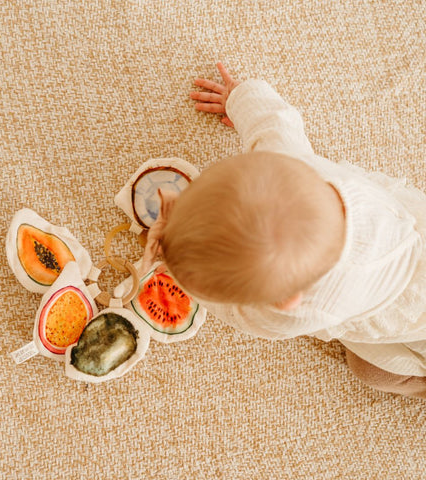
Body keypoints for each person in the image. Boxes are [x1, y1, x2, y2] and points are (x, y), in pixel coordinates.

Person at [141, 62, 426, 399]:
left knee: (373, 371)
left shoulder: (296, 314)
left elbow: (235, 311)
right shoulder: (288, 160)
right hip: (408, 229)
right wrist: (238, 97)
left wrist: (176, 266)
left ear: (286, 301)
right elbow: (272, 120)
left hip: (411, 324)